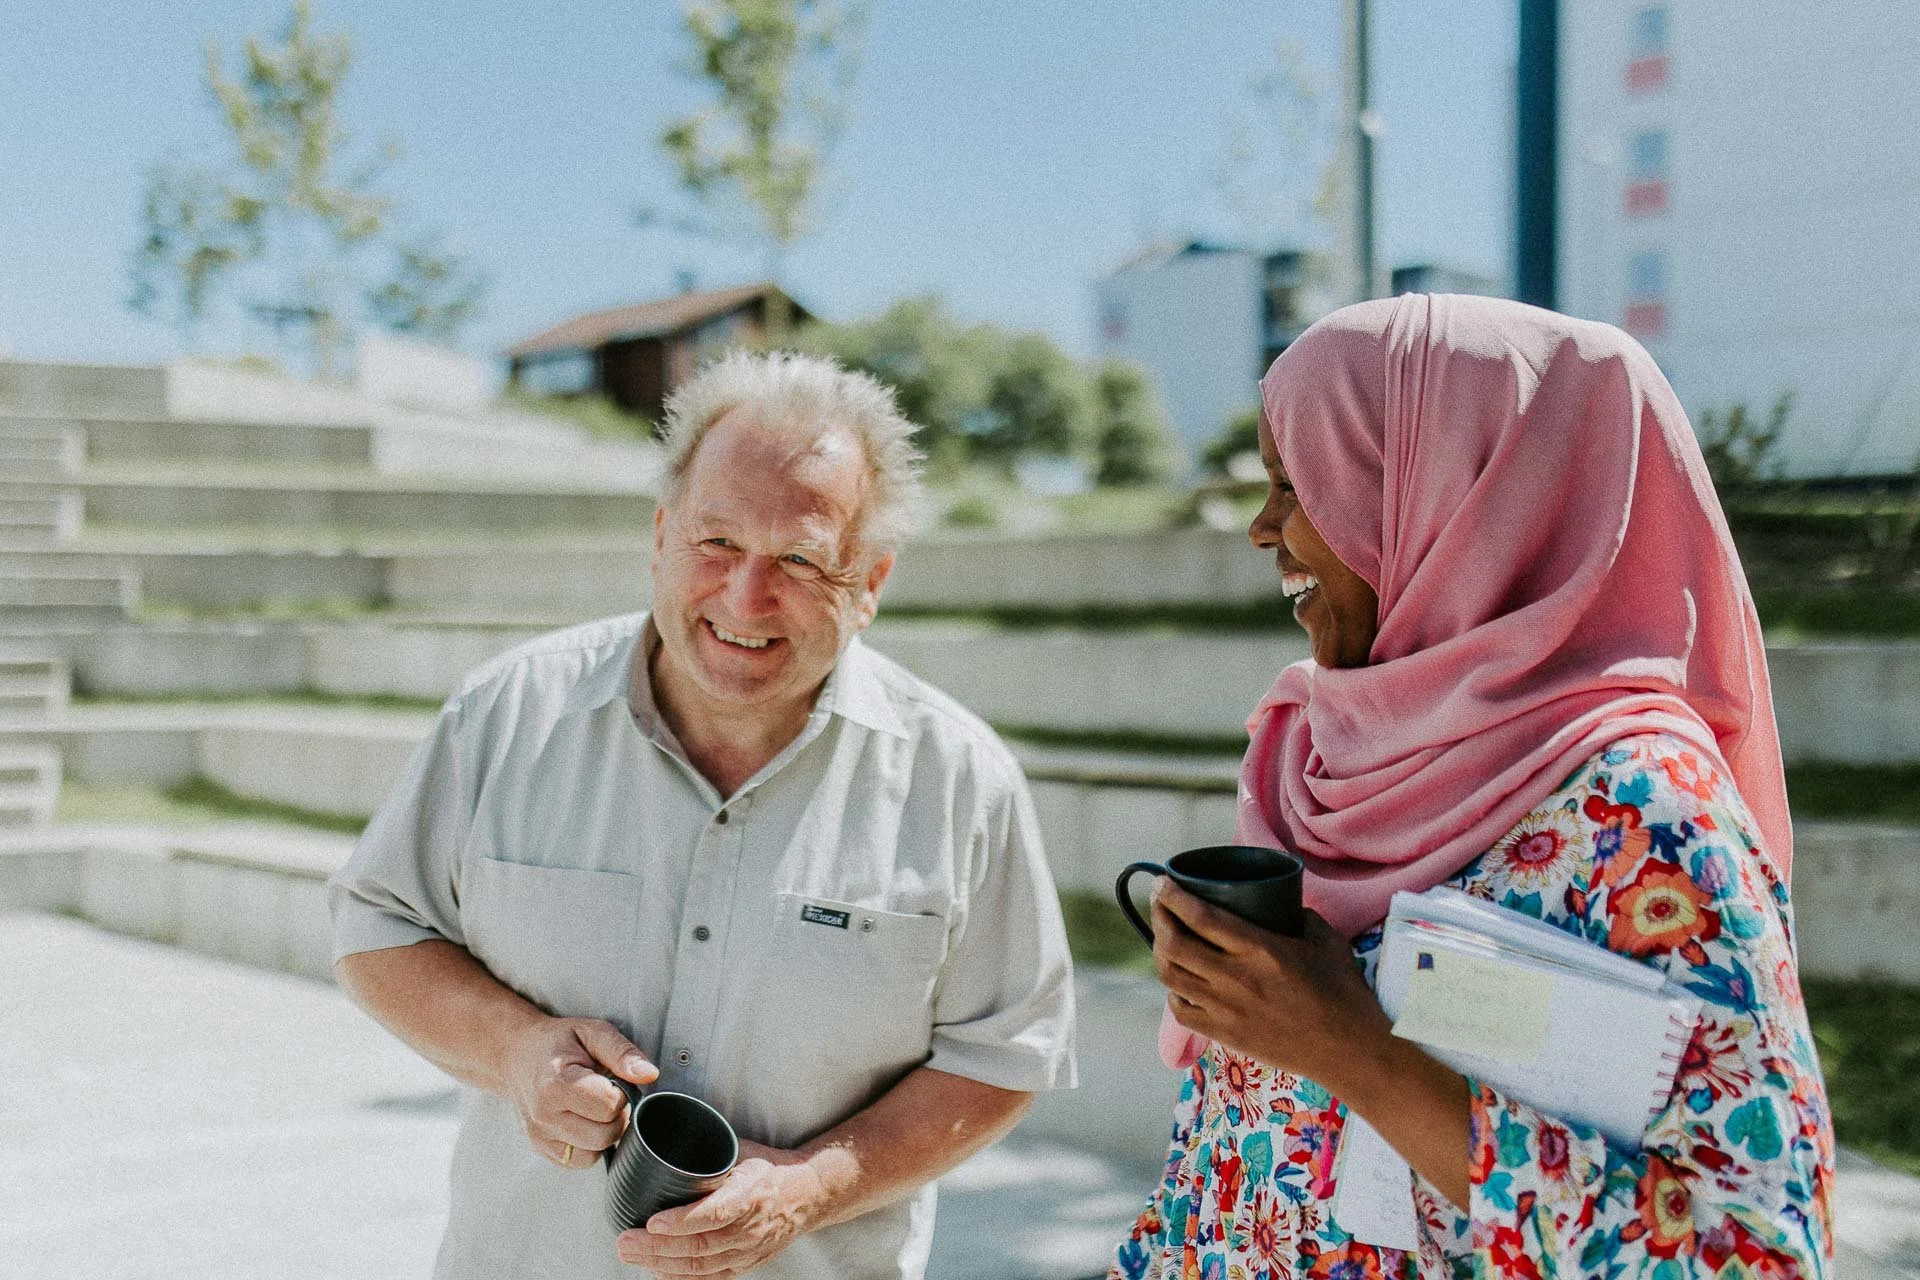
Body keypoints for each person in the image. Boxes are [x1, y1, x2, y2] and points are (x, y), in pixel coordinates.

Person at [1113, 294, 1834, 1280]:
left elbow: (1753, 1255)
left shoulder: (1648, 815)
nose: (1262, 527)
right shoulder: (1313, 759)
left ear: (1458, 496)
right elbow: (1225, 1163)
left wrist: (1359, 1052)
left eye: (1297, 483)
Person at [330, 350, 1076, 1280]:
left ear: (871, 582)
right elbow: (375, 925)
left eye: (800, 559)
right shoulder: (505, 714)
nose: (746, 597)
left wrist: (814, 1187)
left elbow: (1006, 1055)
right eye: (716, 542)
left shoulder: (961, 780)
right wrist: (513, 1049)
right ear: (660, 536)